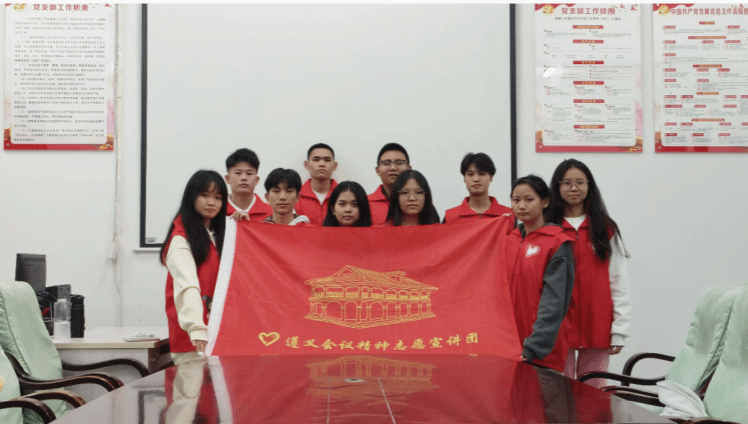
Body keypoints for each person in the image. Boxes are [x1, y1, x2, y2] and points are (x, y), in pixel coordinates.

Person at [547, 159, 631, 387]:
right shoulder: (547, 228)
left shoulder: (605, 228)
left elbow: (618, 280)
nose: (573, 188)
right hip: (557, 327)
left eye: (580, 182)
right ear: (557, 187)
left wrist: (619, 330)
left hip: (598, 324)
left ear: (589, 185)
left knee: (595, 393)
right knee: (558, 392)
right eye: (566, 183)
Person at [506, 175, 574, 373]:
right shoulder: (508, 241)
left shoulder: (557, 243)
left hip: (541, 352)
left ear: (545, 202)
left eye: (529, 199)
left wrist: (533, 347)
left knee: (543, 395)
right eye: (516, 200)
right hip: (510, 347)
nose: (521, 206)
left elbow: (554, 302)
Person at [160, 170, 228, 365]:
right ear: (192, 197)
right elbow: (187, 285)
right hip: (193, 338)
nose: (211, 202)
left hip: (219, 333)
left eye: (218, 197)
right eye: (204, 195)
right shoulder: (180, 238)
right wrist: (196, 328)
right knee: (191, 385)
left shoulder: (217, 234)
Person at [443, 152, 513, 223]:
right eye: (470, 174)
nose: (476, 179)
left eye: (482, 174)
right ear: (464, 178)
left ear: (491, 177)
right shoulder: (450, 216)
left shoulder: (509, 215)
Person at [295, 143, 338, 226]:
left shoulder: (343, 197)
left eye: (327, 160)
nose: (322, 164)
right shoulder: (295, 197)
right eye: (316, 160)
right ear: (306, 165)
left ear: (335, 166)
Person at [368, 143, 412, 225]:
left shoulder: (418, 202)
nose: (393, 168)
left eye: (399, 162)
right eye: (386, 163)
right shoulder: (365, 204)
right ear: (377, 170)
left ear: (409, 169)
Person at [224, 148, 272, 221]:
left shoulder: (272, 214)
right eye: (238, 173)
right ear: (227, 179)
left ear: (257, 180)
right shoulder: (216, 212)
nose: (244, 178)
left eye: (249, 173)